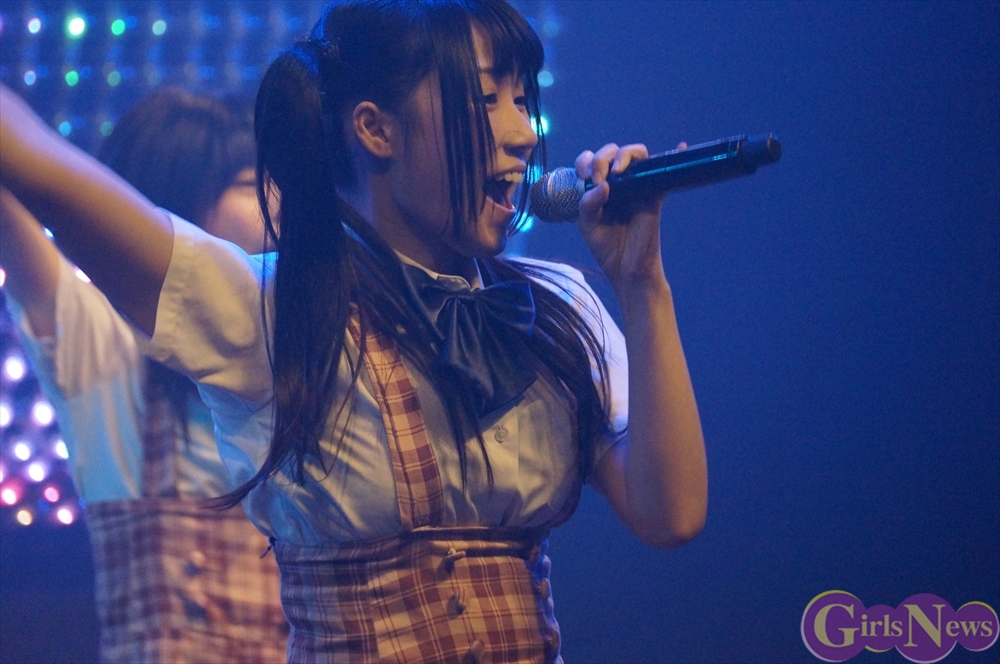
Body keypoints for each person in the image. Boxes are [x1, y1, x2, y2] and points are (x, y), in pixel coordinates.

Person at [0, 0, 708, 661]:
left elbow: (670, 514)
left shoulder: (557, 305)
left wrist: (642, 284)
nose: (524, 134)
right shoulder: (273, 308)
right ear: (376, 129)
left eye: (523, 101)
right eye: (486, 99)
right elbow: (44, 170)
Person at [0, 88, 287, 663]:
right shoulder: (101, 342)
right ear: (179, 208)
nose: (277, 203)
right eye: (248, 185)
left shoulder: (305, 351)